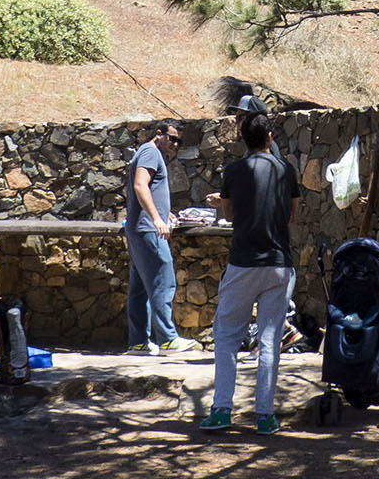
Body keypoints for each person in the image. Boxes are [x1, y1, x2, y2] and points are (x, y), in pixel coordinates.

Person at [201, 106, 301, 435]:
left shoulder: (233, 170)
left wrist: (231, 204)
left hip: (243, 261)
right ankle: (264, 416)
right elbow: (291, 216)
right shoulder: (286, 170)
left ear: (243, 138)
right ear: (270, 137)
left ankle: (221, 409)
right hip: (278, 263)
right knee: (271, 339)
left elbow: (229, 216)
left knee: (227, 335)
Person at [124, 119, 199, 353]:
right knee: (163, 279)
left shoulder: (146, 153)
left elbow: (149, 191)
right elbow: (140, 186)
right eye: (172, 138)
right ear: (159, 133)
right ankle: (167, 338)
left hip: (139, 228)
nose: (175, 144)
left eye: (178, 141)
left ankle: (138, 342)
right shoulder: (150, 152)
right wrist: (157, 219)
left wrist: (165, 213)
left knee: (139, 287)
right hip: (148, 230)